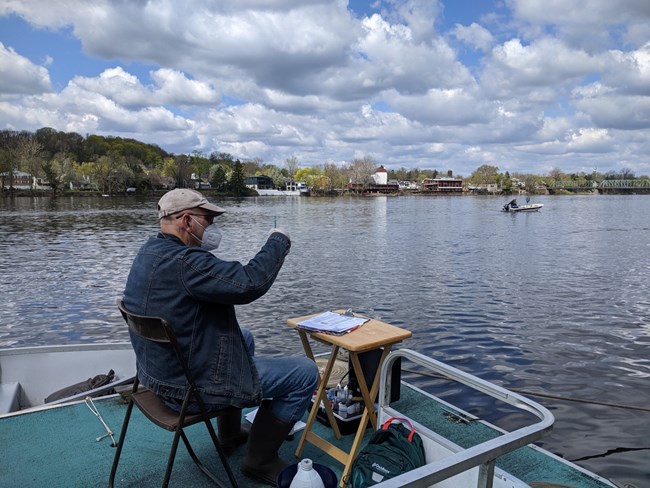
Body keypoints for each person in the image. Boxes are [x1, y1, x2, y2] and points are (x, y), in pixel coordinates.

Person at [122, 188, 319, 485]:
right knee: (304, 373)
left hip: (155, 379)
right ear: (187, 221)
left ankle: (228, 435)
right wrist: (278, 240)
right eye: (208, 220)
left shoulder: (149, 251)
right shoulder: (187, 262)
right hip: (187, 391)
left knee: (246, 337)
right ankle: (259, 460)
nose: (212, 228)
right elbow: (249, 283)